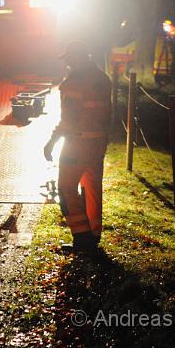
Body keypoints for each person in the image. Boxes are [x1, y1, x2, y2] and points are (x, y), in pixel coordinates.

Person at [44, 40, 112, 252]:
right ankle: (94, 234)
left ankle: (82, 237)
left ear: (76, 58)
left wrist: (52, 141)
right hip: (98, 141)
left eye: (69, 59)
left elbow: (69, 119)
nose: (67, 64)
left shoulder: (73, 84)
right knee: (92, 188)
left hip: (77, 143)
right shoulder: (102, 79)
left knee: (66, 188)